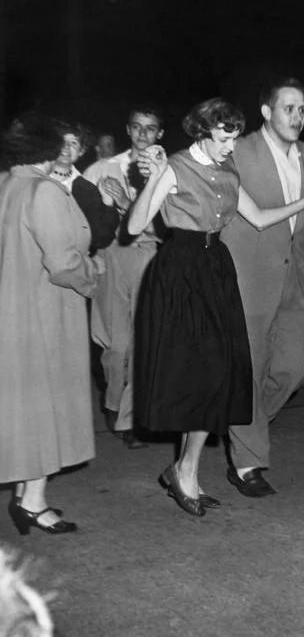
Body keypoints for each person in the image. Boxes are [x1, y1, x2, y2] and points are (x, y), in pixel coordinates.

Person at [128, 98, 304, 517]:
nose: (230, 147)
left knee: (219, 374)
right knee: (198, 375)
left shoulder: (227, 170)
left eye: (234, 139)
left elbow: (260, 218)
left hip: (216, 269)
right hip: (180, 273)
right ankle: (186, 471)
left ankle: (184, 468)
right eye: (224, 139)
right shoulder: (177, 166)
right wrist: (157, 176)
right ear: (203, 133)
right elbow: (134, 226)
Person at [221, 77, 304, 498]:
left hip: (296, 277)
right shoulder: (238, 151)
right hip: (248, 275)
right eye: (288, 108)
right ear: (266, 112)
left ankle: (239, 422)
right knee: (250, 369)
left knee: (296, 365)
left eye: (303, 109)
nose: (297, 116)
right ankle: (248, 460)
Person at [1, 114, 104, 535]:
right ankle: (32, 502)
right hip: (44, 311)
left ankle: (29, 497)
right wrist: (96, 270)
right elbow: (64, 264)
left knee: (27, 407)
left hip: (13, 310)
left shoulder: (7, 184)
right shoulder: (43, 192)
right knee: (46, 404)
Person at [83, 104, 167, 446]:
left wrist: (125, 205)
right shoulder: (103, 168)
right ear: (128, 130)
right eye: (137, 127)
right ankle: (113, 403)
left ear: (160, 133)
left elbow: (169, 225)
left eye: (150, 128)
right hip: (113, 257)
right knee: (116, 344)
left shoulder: (170, 170)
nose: (143, 134)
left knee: (143, 341)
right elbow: (83, 220)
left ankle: (129, 418)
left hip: (150, 255)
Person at [49, 122, 121, 253]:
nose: (66, 147)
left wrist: (107, 202)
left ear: (81, 151)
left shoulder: (86, 189)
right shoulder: (35, 178)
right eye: (62, 141)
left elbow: (101, 238)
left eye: (73, 143)